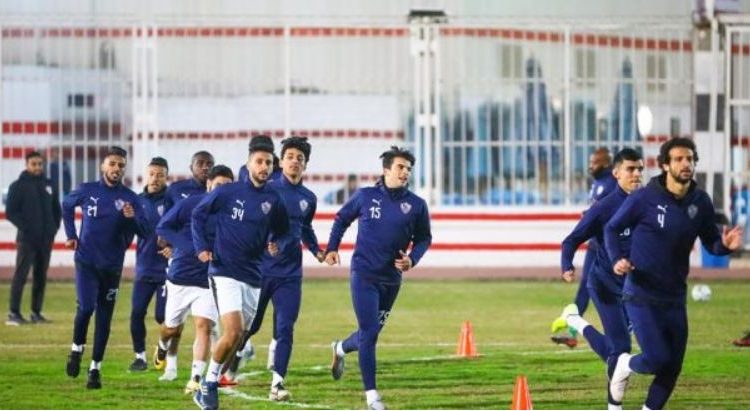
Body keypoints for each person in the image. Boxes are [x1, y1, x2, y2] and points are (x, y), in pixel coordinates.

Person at [604, 137, 743, 409]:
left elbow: (712, 244)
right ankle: (624, 364)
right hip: (641, 294)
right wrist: (617, 259)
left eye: (690, 159)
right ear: (665, 165)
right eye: (679, 159)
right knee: (657, 359)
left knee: (672, 367)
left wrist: (725, 246)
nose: (686, 163)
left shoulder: (700, 201)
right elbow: (611, 228)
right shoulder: (645, 198)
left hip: (675, 298)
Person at [325, 146, 432, 410]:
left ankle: (340, 348)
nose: (405, 172)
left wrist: (412, 259)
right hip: (364, 275)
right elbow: (341, 219)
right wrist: (332, 247)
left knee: (368, 334)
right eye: (400, 167)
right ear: (386, 170)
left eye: (408, 169)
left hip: (392, 280)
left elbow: (424, 238)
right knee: (370, 334)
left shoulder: (417, 205)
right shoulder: (365, 196)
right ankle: (372, 396)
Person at [221, 137, 325, 400]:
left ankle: (277, 384)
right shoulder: (267, 191)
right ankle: (227, 368)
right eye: (290, 157)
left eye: (300, 158)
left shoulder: (308, 198)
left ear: (305, 165)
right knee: (249, 328)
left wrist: (317, 250)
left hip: (290, 275)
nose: (294, 162)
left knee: (285, 328)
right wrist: (265, 242)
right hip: (260, 271)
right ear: (282, 161)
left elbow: (305, 228)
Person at [192, 137, 289, 410]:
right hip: (224, 270)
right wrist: (201, 247)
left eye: (268, 162)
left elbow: (283, 230)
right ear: (249, 164)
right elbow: (198, 214)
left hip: (253, 276)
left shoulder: (274, 199)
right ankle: (209, 384)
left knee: (240, 336)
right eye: (259, 161)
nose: (264, 166)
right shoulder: (228, 192)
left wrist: (276, 242)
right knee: (232, 330)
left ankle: (211, 379)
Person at [551, 148, 644, 409]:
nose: (636, 174)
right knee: (621, 350)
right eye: (630, 169)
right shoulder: (604, 208)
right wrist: (567, 265)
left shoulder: (647, 204)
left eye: (640, 169)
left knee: (632, 351)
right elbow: (571, 240)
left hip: (634, 289)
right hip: (605, 287)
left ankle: (575, 320)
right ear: (616, 173)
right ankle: (614, 406)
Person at [62, 146, 150, 389]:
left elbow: (146, 232)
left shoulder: (131, 199)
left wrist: (133, 218)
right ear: (103, 166)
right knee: (86, 307)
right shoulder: (87, 190)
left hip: (112, 267)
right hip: (86, 261)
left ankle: (95, 369)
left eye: (121, 165)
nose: (116, 168)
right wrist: (71, 234)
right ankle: (76, 349)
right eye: (112, 163)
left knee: (104, 319)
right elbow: (66, 205)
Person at [154, 165, 234, 393]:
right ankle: (162, 345)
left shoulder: (233, 213)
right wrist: (190, 247)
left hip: (210, 278)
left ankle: (195, 378)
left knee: (204, 326)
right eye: (218, 185)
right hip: (181, 276)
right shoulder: (189, 204)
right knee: (171, 328)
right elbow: (163, 227)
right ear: (208, 185)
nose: (222, 191)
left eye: (227, 187)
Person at [552, 147, 617, 348]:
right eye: (590, 162)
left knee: (604, 289)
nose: (591, 166)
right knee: (585, 288)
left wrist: (590, 214)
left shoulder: (611, 183)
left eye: (595, 162)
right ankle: (573, 332)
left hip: (606, 246)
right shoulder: (597, 183)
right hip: (595, 244)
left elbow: (609, 211)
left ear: (606, 163)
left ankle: (621, 331)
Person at [5, 151, 61, 325]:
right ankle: (14, 313)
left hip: (46, 239)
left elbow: (56, 209)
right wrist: (27, 228)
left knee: (40, 276)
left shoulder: (49, 184)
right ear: (27, 165)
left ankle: (36, 313)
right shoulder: (18, 186)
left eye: (39, 164)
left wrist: (53, 228)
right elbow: (11, 212)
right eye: (33, 164)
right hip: (27, 239)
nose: (37, 167)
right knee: (21, 275)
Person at [128, 157, 171, 371]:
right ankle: (140, 357)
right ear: (146, 176)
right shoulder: (137, 201)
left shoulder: (172, 201)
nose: (155, 179)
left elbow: (182, 227)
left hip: (166, 270)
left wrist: (173, 246)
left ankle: (163, 349)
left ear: (166, 177)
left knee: (162, 316)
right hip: (144, 267)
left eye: (160, 175)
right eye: (152, 174)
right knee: (136, 313)